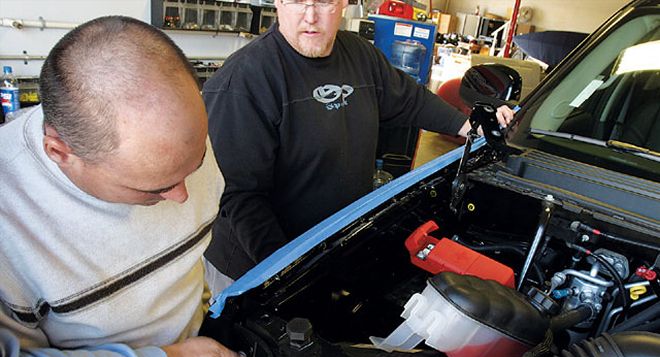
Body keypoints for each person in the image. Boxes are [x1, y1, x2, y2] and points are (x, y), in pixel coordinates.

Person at [0, 16, 253, 357]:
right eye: (154, 188)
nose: (183, 196)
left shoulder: (174, 144)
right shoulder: (10, 220)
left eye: (194, 163)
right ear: (60, 151)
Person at [202, 0, 514, 289]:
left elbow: (410, 100)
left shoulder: (359, 55)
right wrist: (287, 273)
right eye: (297, 0)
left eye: (324, 1)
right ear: (278, 2)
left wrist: (473, 125)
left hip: (331, 249)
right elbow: (240, 197)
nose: (310, 16)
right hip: (254, 267)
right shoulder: (243, 81)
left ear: (343, 3)